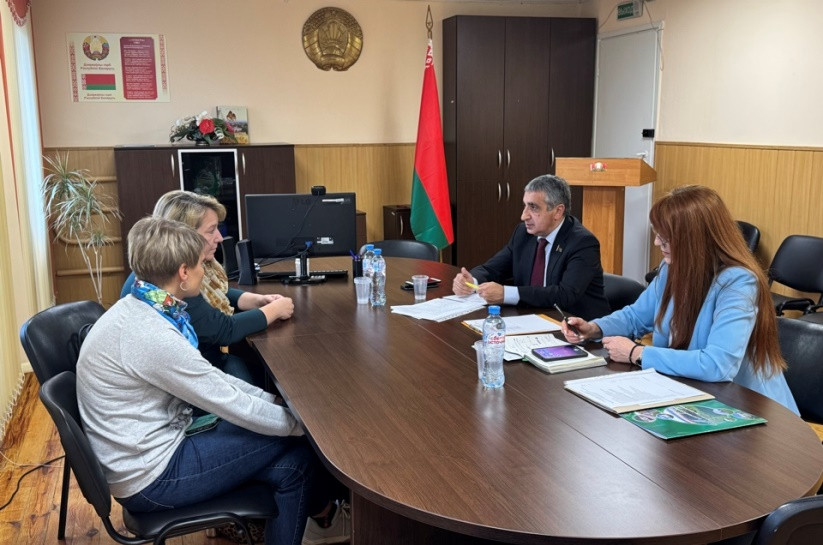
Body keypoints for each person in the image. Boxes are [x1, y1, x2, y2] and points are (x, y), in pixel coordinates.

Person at [79, 217, 349, 545]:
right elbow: (228, 401)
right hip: (151, 479)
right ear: (183, 272)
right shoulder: (151, 335)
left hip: (142, 455)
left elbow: (215, 382)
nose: (204, 272)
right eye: (199, 265)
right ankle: (327, 519)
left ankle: (318, 527)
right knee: (301, 446)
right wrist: (310, 428)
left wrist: (279, 405)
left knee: (294, 465)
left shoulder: (141, 306)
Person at [560, 185, 799, 414]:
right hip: (695, 396)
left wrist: (638, 353)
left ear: (695, 239)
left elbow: (717, 365)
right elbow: (636, 316)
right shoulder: (671, 268)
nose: (657, 243)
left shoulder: (738, 282)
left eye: (666, 237)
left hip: (751, 408)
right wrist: (594, 328)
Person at [120, 190, 293, 384]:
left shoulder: (154, 272)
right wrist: (275, 310)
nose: (219, 237)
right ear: (185, 235)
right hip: (194, 376)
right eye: (211, 231)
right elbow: (224, 330)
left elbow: (214, 292)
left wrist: (253, 300)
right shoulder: (169, 286)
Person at [452, 174, 610, 320]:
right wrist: (471, 281)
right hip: (532, 318)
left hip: (578, 326)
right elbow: (493, 268)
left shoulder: (582, 243)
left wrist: (506, 293)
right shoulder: (523, 234)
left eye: (533, 207)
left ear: (557, 211)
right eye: (525, 206)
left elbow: (565, 295)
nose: (524, 216)